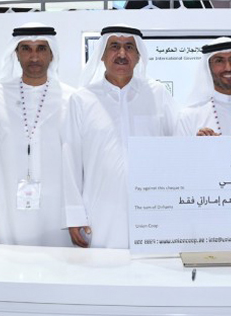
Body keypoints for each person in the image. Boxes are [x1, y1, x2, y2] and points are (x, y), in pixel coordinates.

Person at [62, 25, 177, 249]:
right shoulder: (82, 99)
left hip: (152, 209)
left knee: (151, 265)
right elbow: (70, 160)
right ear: (102, 54)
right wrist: (74, 215)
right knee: (103, 266)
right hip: (99, 212)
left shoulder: (157, 94)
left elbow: (178, 145)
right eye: (114, 47)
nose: (122, 54)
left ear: (138, 55)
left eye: (129, 47)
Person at [0, 23, 75, 246]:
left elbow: (78, 164)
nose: (34, 57)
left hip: (57, 211)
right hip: (6, 210)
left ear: (52, 54)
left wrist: (77, 216)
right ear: (16, 54)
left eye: (41, 49)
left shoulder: (71, 98)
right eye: (26, 49)